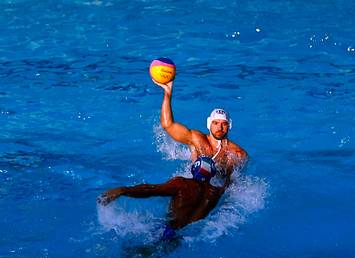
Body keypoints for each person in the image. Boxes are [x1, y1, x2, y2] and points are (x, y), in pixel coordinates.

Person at [99, 155, 230, 242]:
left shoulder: (182, 184)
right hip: (189, 237)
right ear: (212, 175)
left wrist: (123, 190)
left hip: (168, 231)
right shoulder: (216, 193)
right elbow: (228, 184)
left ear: (193, 169)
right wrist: (229, 172)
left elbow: (150, 190)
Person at [156, 81, 248, 178]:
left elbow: (231, 183)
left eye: (224, 124)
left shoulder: (237, 153)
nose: (219, 128)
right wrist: (167, 93)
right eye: (215, 123)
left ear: (229, 125)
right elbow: (168, 125)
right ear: (209, 124)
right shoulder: (196, 139)